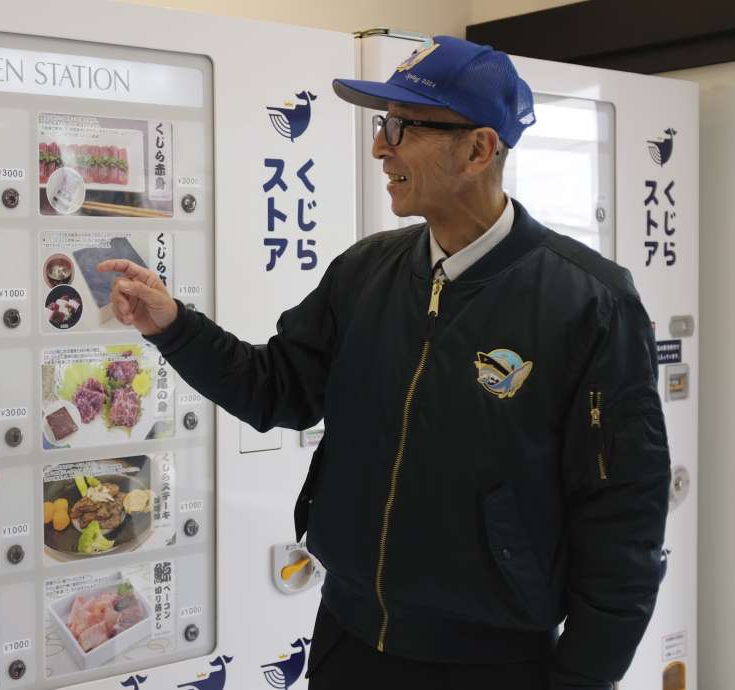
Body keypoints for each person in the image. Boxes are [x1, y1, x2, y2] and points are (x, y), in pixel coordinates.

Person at [99, 36, 669, 690]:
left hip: (495, 663)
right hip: (350, 638)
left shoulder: (590, 302)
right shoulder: (365, 271)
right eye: (381, 125)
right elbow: (276, 391)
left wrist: (583, 677)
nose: (380, 147)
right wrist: (174, 326)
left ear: (479, 149)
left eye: (402, 128)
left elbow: (623, 515)